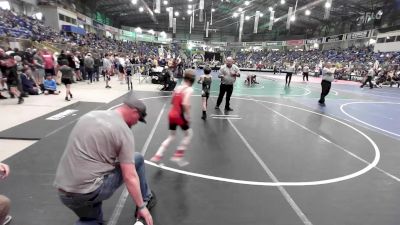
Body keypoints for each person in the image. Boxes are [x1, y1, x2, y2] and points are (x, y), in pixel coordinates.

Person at [54, 94, 156, 225]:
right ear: (134, 111)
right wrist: (142, 207)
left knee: (91, 219)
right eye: (138, 118)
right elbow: (130, 176)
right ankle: (146, 198)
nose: (136, 122)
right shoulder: (124, 131)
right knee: (137, 158)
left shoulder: (89, 116)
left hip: (64, 191)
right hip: (89, 191)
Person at [150, 70, 196, 166]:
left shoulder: (178, 88)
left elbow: (172, 101)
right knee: (189, 134)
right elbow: (185, 103)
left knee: (171, 136)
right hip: (179, 115)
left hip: (171, 114)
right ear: (192, 80)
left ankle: (158, 154)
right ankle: (178, 155)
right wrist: (188, 116)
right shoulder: (189, 89)